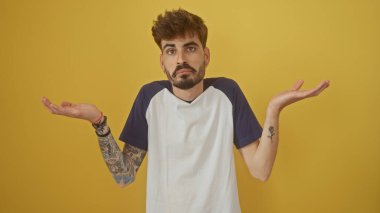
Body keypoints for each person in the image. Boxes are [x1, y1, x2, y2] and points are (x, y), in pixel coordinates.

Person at [41, 8, 330, 213]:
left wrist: (273, 110)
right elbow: (124, 176)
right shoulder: (149, 97)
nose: (180, 58)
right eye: (170, 50)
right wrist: (99, 123)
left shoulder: (227, 93)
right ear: (162, 61)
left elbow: (261, 170)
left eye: (190, 48)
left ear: (205, 55)